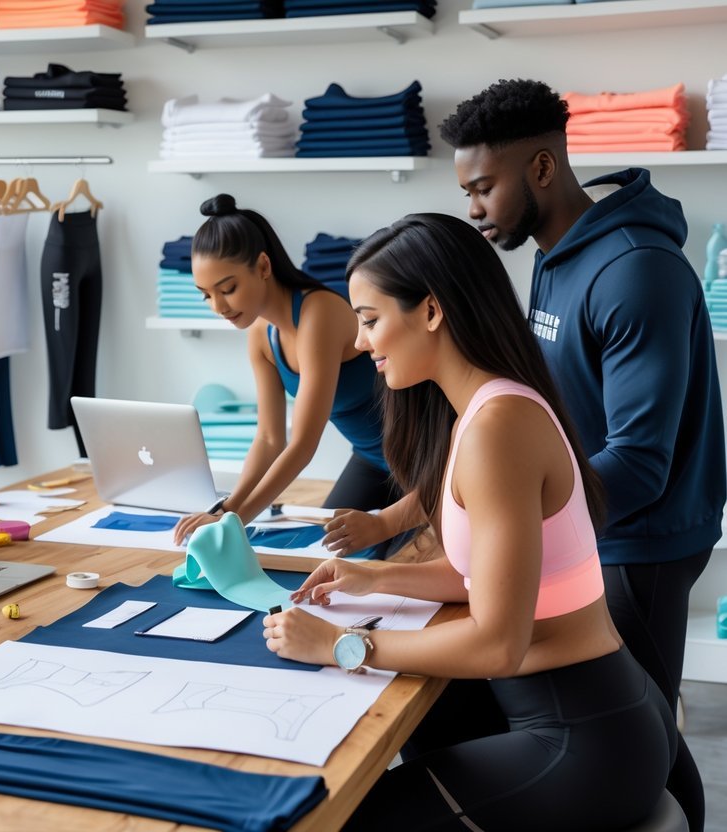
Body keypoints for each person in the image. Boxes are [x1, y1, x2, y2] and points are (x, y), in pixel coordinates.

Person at [265, 213, 676, 830]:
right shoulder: (481, 412)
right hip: (580, 713)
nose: (359, 342)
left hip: (582, 738)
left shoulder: (497, 427)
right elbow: (483, 580)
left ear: (431, 310)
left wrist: (343, 646)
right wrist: (369, 578)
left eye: (371, 320)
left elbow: (497, 641)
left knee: (344, 816)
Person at [439, 78, 721, 832]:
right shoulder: (553, 256)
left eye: (481, 188)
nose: (472, 208)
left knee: (646, 734)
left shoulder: (634, 269)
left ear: (539, 169)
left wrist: (527, 528)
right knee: (637, 728)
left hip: (642, 540)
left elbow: (638, 461)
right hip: (594, 530)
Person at [172, 194, 399, 553]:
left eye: (228, 289)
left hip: (422, 461)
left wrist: (233, 520)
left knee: (393, 560)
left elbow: (303, 444)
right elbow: (268, 439)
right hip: (371, 461)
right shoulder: (263, 335)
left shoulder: (318, 313)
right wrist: (226, 508)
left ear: (263, 266)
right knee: (326, 550)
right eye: (206, 295)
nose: (218, 307)